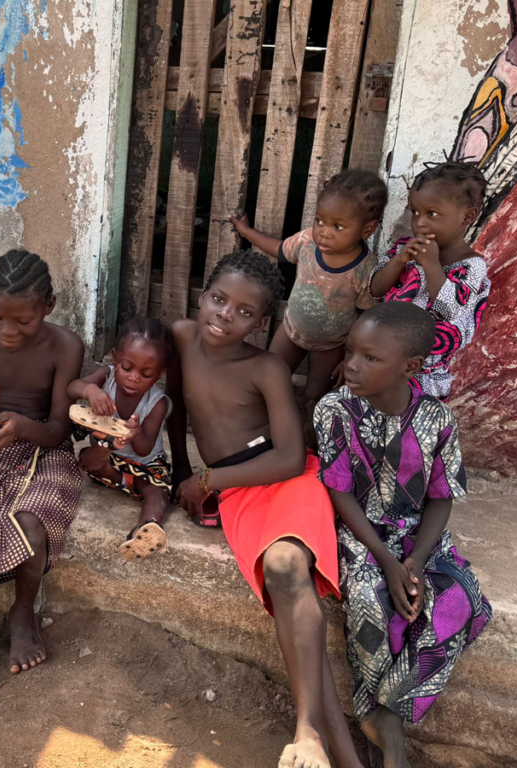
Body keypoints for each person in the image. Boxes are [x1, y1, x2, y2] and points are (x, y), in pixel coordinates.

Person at [167, 249, 363, 768]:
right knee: (290, 596)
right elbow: (176, 406)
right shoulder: (182, 337)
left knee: (285, 567)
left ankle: (304, 730)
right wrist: (182, 473)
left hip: (282, 479)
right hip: (235, 493)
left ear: (262, 322)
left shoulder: (267, 367)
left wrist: (208, 478)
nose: (225, 315)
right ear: (201, 294)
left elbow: (290, 456)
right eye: (217, 299)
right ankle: (333, 749)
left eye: (244, 312)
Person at [314, 303, 491, 768]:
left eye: (371, 358)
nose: (352, 364)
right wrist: (386, 562)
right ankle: (388, 737)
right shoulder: (335, 410)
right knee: (373, 601)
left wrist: (414, 562)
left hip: (419, 538)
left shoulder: (437, 420)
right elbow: (339, 492)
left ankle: (384, 710)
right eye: (351, 351)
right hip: (360, 532)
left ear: (410, 367)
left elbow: (441, 497)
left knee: (460, 600)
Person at [0, 250, 84, 690]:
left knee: (31, 521)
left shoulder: (65, 346)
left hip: (49, 451)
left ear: (49, 306)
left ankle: (23, 612)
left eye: (23, 321)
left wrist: (24, 426)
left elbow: (61, 427)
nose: (8, 332)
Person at [229, 169, 387, 406]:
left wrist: (352, 356)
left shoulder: (366, 269)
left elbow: (367, 317)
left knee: (316, 396)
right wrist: (247, 232)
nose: (324, 232)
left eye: (338, 227)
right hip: (291, 331)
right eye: (320, 221)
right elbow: (281, 250)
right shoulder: (306, 242)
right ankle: (260, 429)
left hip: (331, 345)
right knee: (268, 380)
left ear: (368, 229)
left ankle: (311, 438)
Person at [368, 162, 491, 400]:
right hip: (380, 358)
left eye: (431, 214)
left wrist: (432, 265)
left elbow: (449, 309)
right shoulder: (404, 248)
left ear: (468, 216)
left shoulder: (472, 266)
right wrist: (400, 260)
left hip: (423, 375)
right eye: (415, 212)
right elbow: (375, 289)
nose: (419, 223)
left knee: (408, 431)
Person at [68, 317, 174, 558]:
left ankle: (148, 527)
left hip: (144, 464)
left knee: (158, 491)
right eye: (126, 368)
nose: (134, 378)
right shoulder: (106, 376)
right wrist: (90, 390)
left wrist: (135, 434)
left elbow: (146, 448)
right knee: (87, 459)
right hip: (108, 460)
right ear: (114, 358)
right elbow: (72, 388)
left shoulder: (157, 404)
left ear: (160, 374)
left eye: (146, 374)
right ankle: (121, 473)